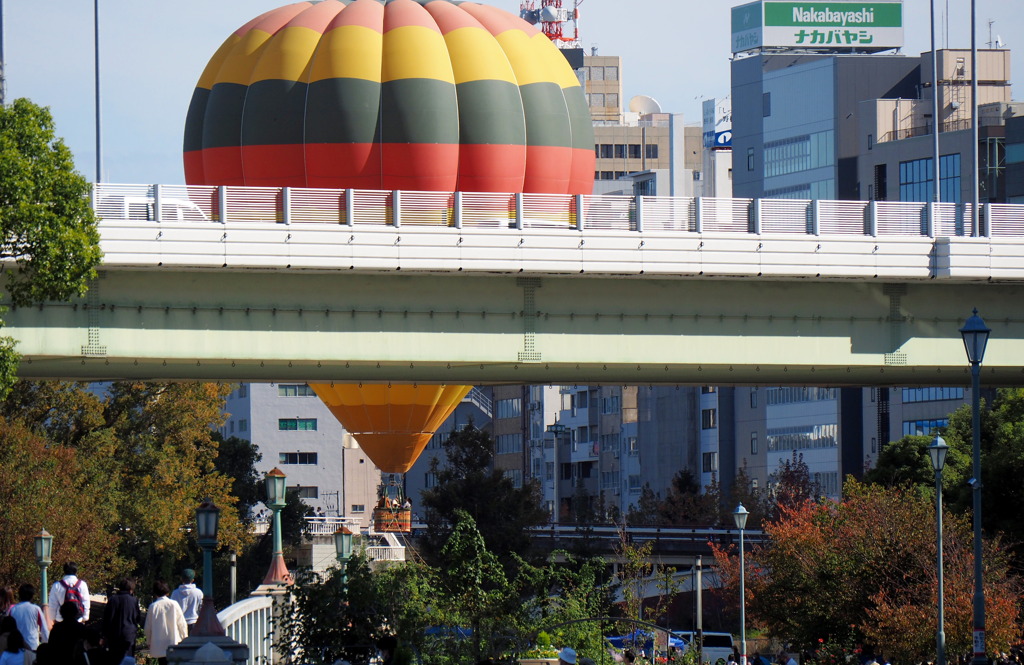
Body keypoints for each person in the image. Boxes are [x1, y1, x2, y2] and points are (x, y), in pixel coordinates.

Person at [144, 580, 187, 665]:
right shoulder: (174, 604)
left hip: (158, 643)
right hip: (173, 641)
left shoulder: (153, 606)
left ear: (155, 593)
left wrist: (148, 641)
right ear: (167, 592)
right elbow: (181, 623)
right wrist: (184, 637)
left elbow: (148, 627)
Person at [102, 578, 140, 664]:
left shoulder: (113, 599)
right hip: (129, 636)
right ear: (131, 589)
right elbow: (137, 618)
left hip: (114, 636)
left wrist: (104, 635)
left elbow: (107, 618)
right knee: (127, 660)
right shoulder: (134, 601)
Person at [9, 584, 48, 653]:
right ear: (32, 596)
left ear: (19, 595)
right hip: (32, 646)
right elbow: (44, 629)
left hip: (17, 648)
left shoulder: (13, 610)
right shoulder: (36, 609)